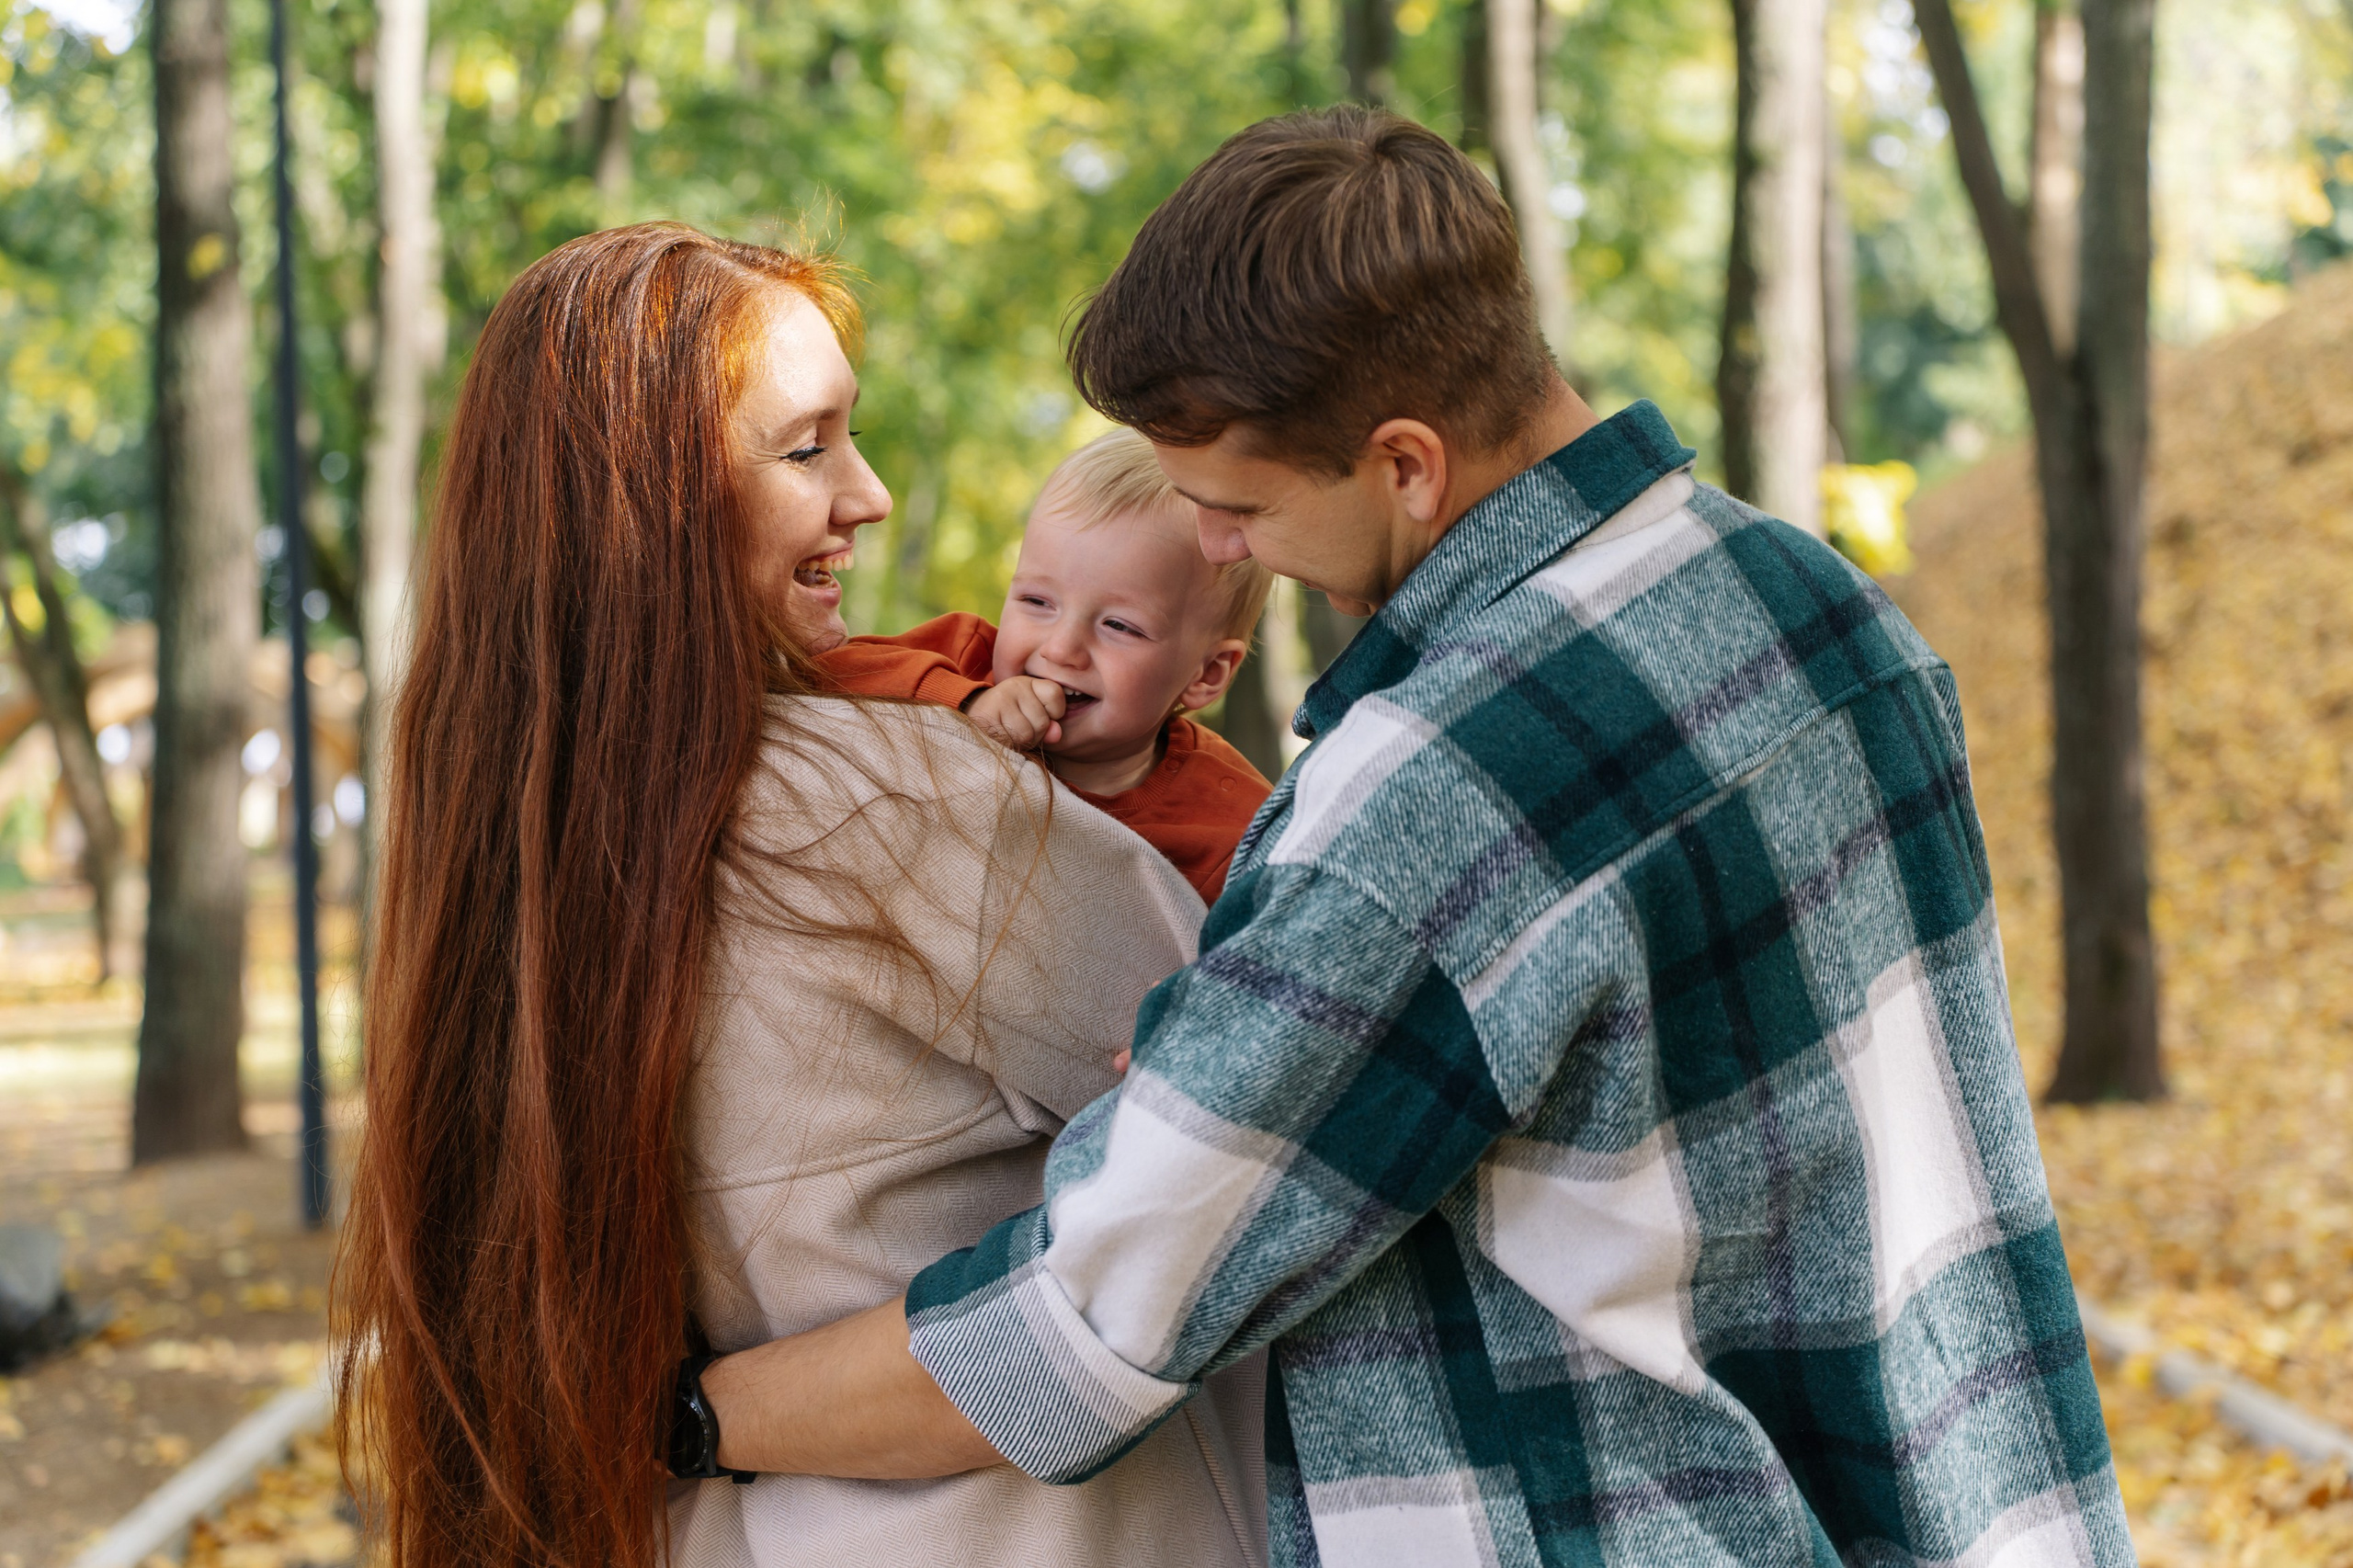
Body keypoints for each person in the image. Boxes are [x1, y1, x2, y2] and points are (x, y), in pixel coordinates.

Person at [700, 108, 2135, 1568]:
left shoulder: (1427, 800)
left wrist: (699, 1417)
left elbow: (1083, 1324)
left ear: (1403, 463)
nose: (1214, 550)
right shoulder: (1830, 617)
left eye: (1238, 504)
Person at [335, 223, 1266, 1568]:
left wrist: (695, 1416)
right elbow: (1277, 1138)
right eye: (807, 445)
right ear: (648, 496)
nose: (871, 493)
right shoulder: (903, 806)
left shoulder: (509, 846)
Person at [824, 427, 1275, 903]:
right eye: (1037, 601)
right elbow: (824, 675)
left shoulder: (1233, 825)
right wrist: (965, 704)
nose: (1061, 649)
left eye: (1119, 626)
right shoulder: (962, 660)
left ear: (1206, 674)